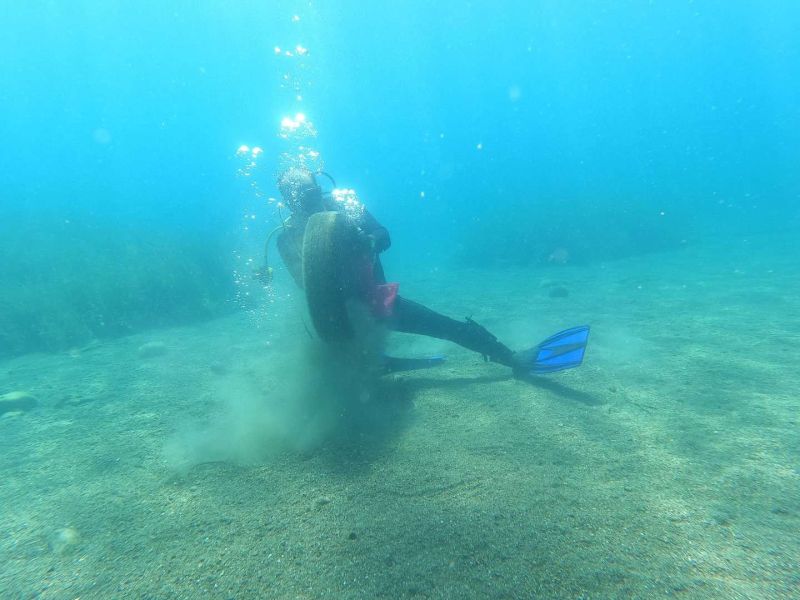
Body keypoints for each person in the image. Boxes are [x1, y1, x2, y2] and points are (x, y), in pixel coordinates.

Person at [270, 167, 589, 378]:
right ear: (287, 201)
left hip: (378, 301)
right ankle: (374, 363)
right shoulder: (287, 237)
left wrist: (365, 240)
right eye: (298, 198)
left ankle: (512, 358)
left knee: (447, 326)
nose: (308, 203)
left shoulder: (344, 207)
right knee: (337, 365)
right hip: (338, 317)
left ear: (320, 187)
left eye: (311, 193)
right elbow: (304, 284)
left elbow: (383, 234)